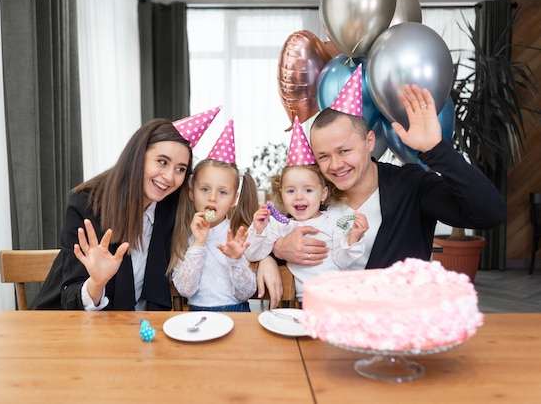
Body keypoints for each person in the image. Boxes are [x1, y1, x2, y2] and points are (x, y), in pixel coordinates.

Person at [257, 66, 507, 307]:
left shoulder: (411, 185)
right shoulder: (315, 195)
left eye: (344, 151)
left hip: (394, 330)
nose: (335, 165)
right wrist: (271, 254)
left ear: (369, 141)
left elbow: (489, 212)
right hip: (324, 325)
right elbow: (279, 235)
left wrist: (437, 151)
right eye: (323, 156)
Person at [30, 107, 221, 311]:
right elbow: (70, 296)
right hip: (71, 326)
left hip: (136, 329)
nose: (169, 177)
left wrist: (260, 258)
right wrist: (97, 282)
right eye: (162, 162)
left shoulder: (172, 205)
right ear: (138, 156)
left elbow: (220, 221)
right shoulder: (87, 205)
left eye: (180, 169)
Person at [244, 118, 368, 300]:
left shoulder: (334, 220)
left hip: (341, 297)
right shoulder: (279, 226)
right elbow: (252, 253)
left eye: (308, 190)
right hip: (306, 301)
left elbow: (343, 260)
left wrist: (353, 238)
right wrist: (259, 230)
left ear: (323, 193)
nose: (299, 197)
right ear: (282, 193)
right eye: (291, 190)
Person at [169, 120, 259, 312]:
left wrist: (235, 260)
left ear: (234, 199)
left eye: (222, 192)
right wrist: (198, 244)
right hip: (198, 315)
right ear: (192, 192)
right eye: (204, 189)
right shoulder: (184, 237)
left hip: (238, 314)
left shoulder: (239, 235)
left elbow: (247, 293)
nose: (212, 197)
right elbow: (185, 290)